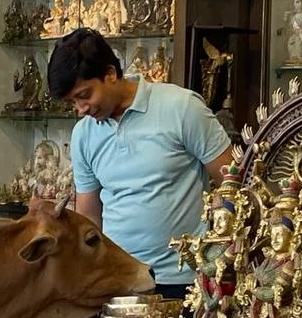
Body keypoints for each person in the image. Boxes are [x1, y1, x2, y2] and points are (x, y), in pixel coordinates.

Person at [46, 28, 232, 296]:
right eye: (73, 102)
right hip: (117, 282)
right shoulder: (84, 135)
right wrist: (82, 283)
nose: (81, 110)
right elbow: (89, 218)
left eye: (85, 95)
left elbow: (235, 182)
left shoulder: (181, 108)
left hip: (184, 281)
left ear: (110, 74)